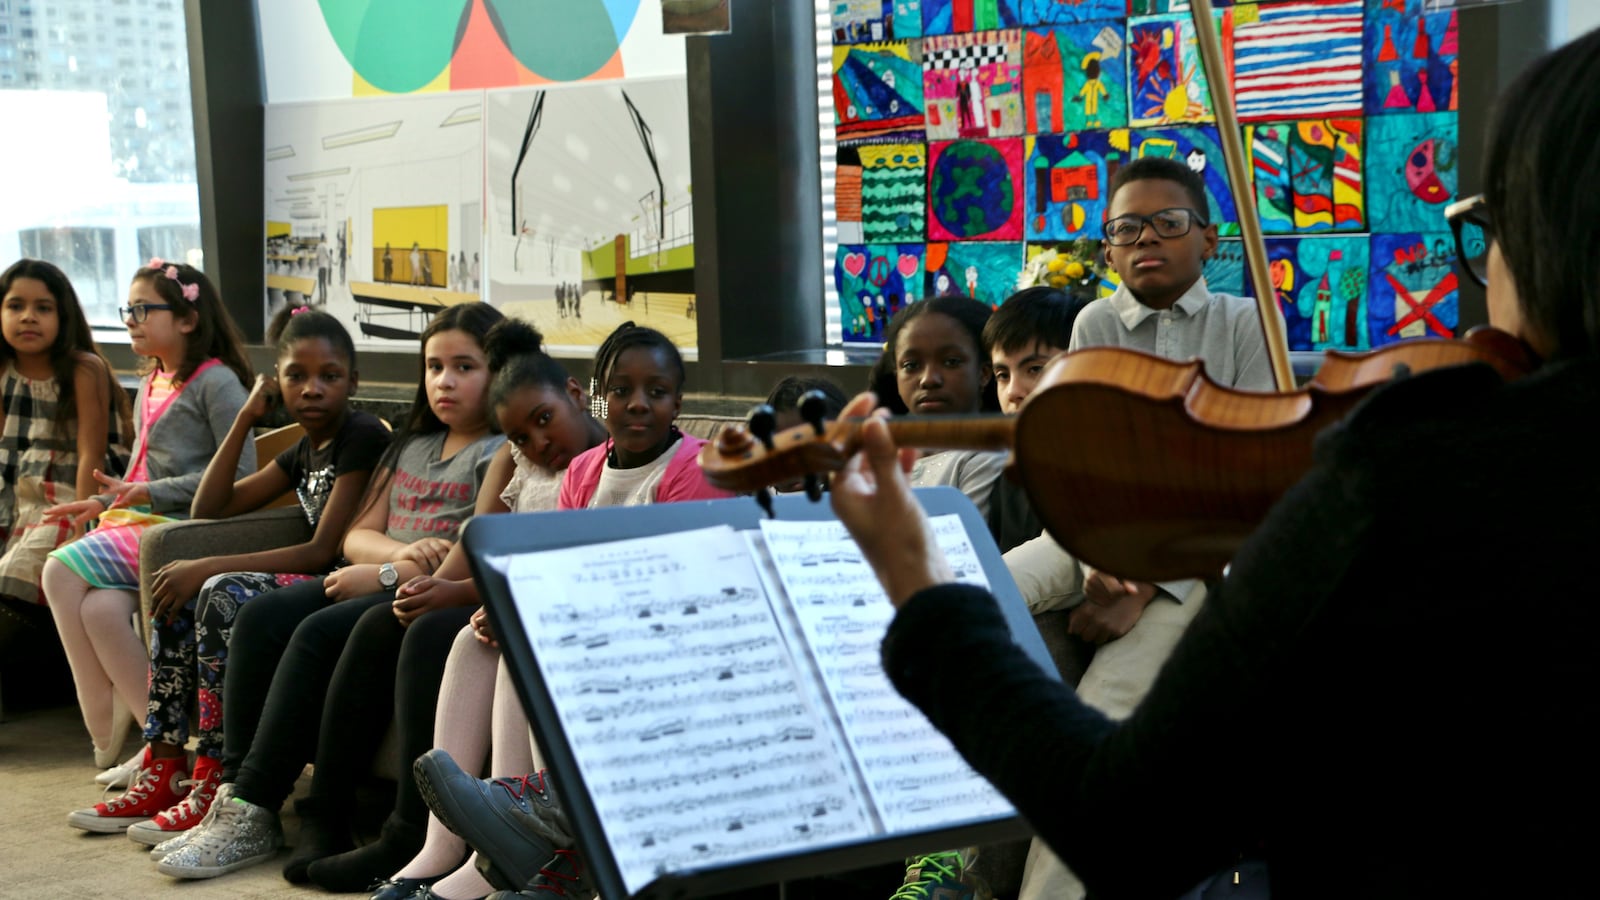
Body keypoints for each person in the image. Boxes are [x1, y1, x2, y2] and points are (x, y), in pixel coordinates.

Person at [827, 29, 1600, 899]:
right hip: (1106, 533)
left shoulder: (1411, 475)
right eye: (1126, 230)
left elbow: (1130, 818)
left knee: (1096, 689)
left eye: (1490, 227)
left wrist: (914, 578)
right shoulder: (1098, 327)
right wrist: (1099, 554)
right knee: (1008, 583)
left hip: (1202, 549)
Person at [153, 303, 509, 883]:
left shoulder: (499, 451)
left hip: (419, 591)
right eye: (434, 366)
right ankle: (245, 799)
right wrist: (395, 556)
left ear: (499, 372)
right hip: (378, 573)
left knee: (320, 631)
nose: (445, 381)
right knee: (263, 615)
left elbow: (455, 556)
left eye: (465, 366)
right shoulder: (411, 444)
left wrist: (391, 572)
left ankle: (304, 809)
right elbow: (356, 534)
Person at [66, 306, 389, 843]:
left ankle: (214, 774)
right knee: (175, 584)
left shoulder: (360, 436)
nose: (312, 389)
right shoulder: (303, 450)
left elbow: (320, 551)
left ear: (352, 382)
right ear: (275, 382)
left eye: (329, 377)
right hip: (312, 575)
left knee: (218, 590)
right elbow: (212, 506)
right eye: (296, 377)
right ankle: (166, 763)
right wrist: (244, 417)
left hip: (341, 581)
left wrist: (212, 565)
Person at [364, 322, 611, 900]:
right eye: (521, 436)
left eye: (544, 419)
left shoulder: (613, 467)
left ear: (576, 395)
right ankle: (454, 843)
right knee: (466, 640)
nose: (537, 441)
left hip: (588, 623)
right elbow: (490, 548)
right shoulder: (543, 466)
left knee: (509, 639)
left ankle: (510, 842)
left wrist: (502, 601)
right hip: (541, 603)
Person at [40, 259, 253, 775]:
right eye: (128, 309)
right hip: (143, 523)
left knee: (59, 570)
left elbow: (239, 477)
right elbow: (140, 468)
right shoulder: (152, 380)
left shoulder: (216, 382)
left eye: (143, 309)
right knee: (100, 613)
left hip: (183, 529)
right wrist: (106, 502)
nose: (131, 319)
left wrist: (147, 493)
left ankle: (101, 714)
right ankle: (160, 750)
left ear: (187, 319)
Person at [0, 260, 132, 668]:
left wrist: (81, 531)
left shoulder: (83, 368)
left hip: (70, 500)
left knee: (13, 575)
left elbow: (91, 455)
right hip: (18, 497)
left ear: (63, 315)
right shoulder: (3, 370)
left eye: (43, 307)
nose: (28, 317)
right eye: (15, 306)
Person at [558, 322, 732, 509]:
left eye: (657, 391)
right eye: (620, 390)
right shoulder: (579, 470)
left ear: (676, 405)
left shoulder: (702, 470)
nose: (638, 404)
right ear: (600, 399)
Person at [874, 295, 1005, 519]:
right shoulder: (880, 450)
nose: (928, 379)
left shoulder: (986, 457)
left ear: (983, 372)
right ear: (896, 374)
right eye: (911, 365)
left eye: (951, 362)